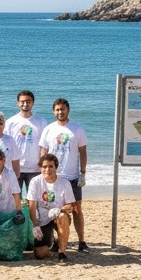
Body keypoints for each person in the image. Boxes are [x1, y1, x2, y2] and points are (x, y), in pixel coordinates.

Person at [38, 98, 89, 252]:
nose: (60, 112)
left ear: (68, 110)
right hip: (53, 176)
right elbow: (43, 152)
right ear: (54, 111)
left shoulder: (77, 129)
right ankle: (57, 240)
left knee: (76, 209)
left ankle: (81, 241)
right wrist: (43, 172)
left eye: (63, 109)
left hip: (72, 176)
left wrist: (83, 173)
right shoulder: (48, 129)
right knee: (51, 207)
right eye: (57, 110)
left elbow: (83, 152)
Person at [28, 154, 76, 261]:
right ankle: (52, 243)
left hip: (58, 217)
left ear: (56, 168)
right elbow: (31, 205)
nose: (47, 169)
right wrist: (35, 225)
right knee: (39, 254)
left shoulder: (65, 183)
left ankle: (62, 252)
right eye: (44, 167)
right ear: (40, 168)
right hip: (42, 220)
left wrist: (60, 210)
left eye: (51, 166)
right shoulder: (35, 181)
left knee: (62, 216)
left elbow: (71, 206)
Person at [6, 90, 49, 195]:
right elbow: (6, 145)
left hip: (35, 168)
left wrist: (44, 165)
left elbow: (45, 146)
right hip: (15, 168)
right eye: (22, 101)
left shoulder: (41, 121)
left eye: (28, 101)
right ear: (17, 103)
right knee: (14, 199)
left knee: (35, 199)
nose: (25, 104)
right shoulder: (10, 122)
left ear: (33, 103)